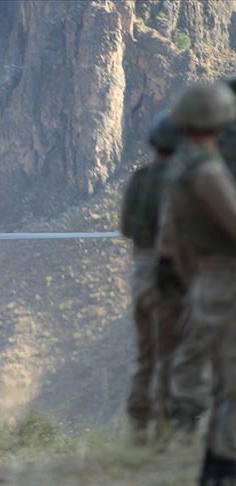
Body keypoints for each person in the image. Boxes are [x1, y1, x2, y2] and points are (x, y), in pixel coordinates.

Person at [160, 82, 236, 485]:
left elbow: (172, 240)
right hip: (225, 281)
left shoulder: (179, 169)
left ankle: (213, 460)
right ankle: (223, 465)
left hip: (204, 280)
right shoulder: (208, 172)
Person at [120, 113, 184, 443]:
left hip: (139, 272)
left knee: (144, 358)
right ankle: (166, 431)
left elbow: (125, 228)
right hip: (168, 272)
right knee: (169, 356)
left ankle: (138, 429)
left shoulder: (140, 178)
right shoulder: (181, 181)